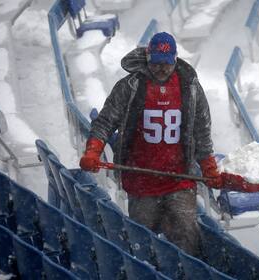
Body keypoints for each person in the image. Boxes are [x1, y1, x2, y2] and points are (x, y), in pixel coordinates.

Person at [79, 32, 222, 256]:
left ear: (175, 59)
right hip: (140, 179)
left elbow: (202, 131)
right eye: (156, 63)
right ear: (148, 58)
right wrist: (93, 151)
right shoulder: (130, 86)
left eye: (166, 63)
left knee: (187, 237)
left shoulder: (190, 88)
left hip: (180, 179)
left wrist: (209, 166)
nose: (161, 69)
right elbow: (105, 121)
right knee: (142, 244)